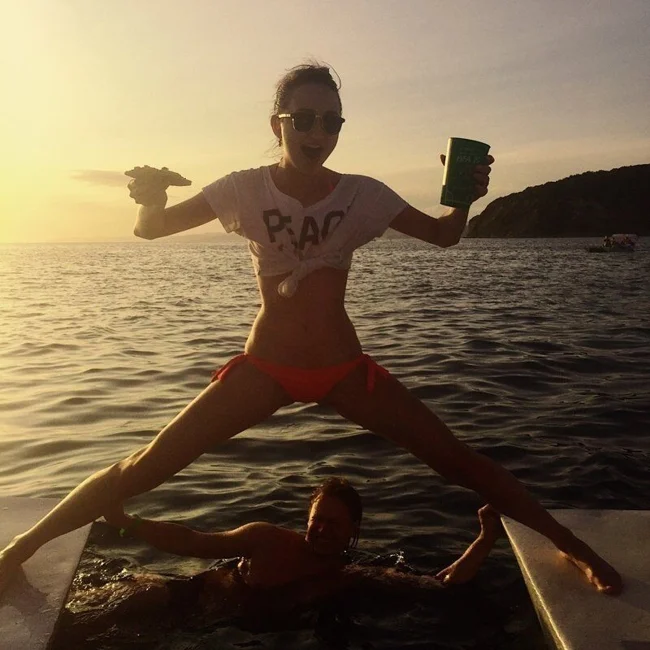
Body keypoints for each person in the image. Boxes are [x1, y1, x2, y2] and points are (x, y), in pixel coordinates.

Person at [0, 61, 621, 597]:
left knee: (458, 460)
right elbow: (151, 230)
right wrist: (150, 195)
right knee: (142, 469)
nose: (317, 133)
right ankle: (17, 551)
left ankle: (575, 548)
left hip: (342, 368)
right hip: (265, 368)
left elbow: (442, 235)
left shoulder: (363, 195)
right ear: (278, 124)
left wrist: (463, 196)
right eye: (304, 119)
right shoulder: (243, 189)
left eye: (331, 122)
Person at [70, 478, 502, 625]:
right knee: (132, 593)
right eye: (317, 519)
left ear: (353, 531)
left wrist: (484, 539)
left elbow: (439, 584)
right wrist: (126, 522)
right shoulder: (267, 539)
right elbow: (195, 542)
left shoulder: (349, 576)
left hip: (214, 627)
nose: (322, 529)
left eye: (334, 523)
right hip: (184, 596)